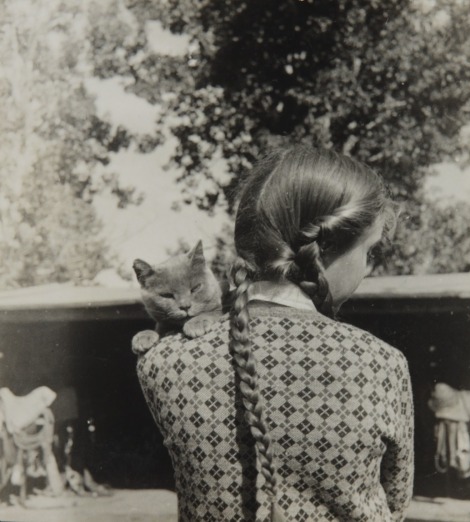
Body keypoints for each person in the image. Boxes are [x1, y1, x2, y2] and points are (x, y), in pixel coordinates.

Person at [136, 145, 414, 521]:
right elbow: (395, 504)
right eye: (369, 252)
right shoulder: (381, 363)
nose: (368, 268)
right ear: (325, 247)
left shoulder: (163, 361)